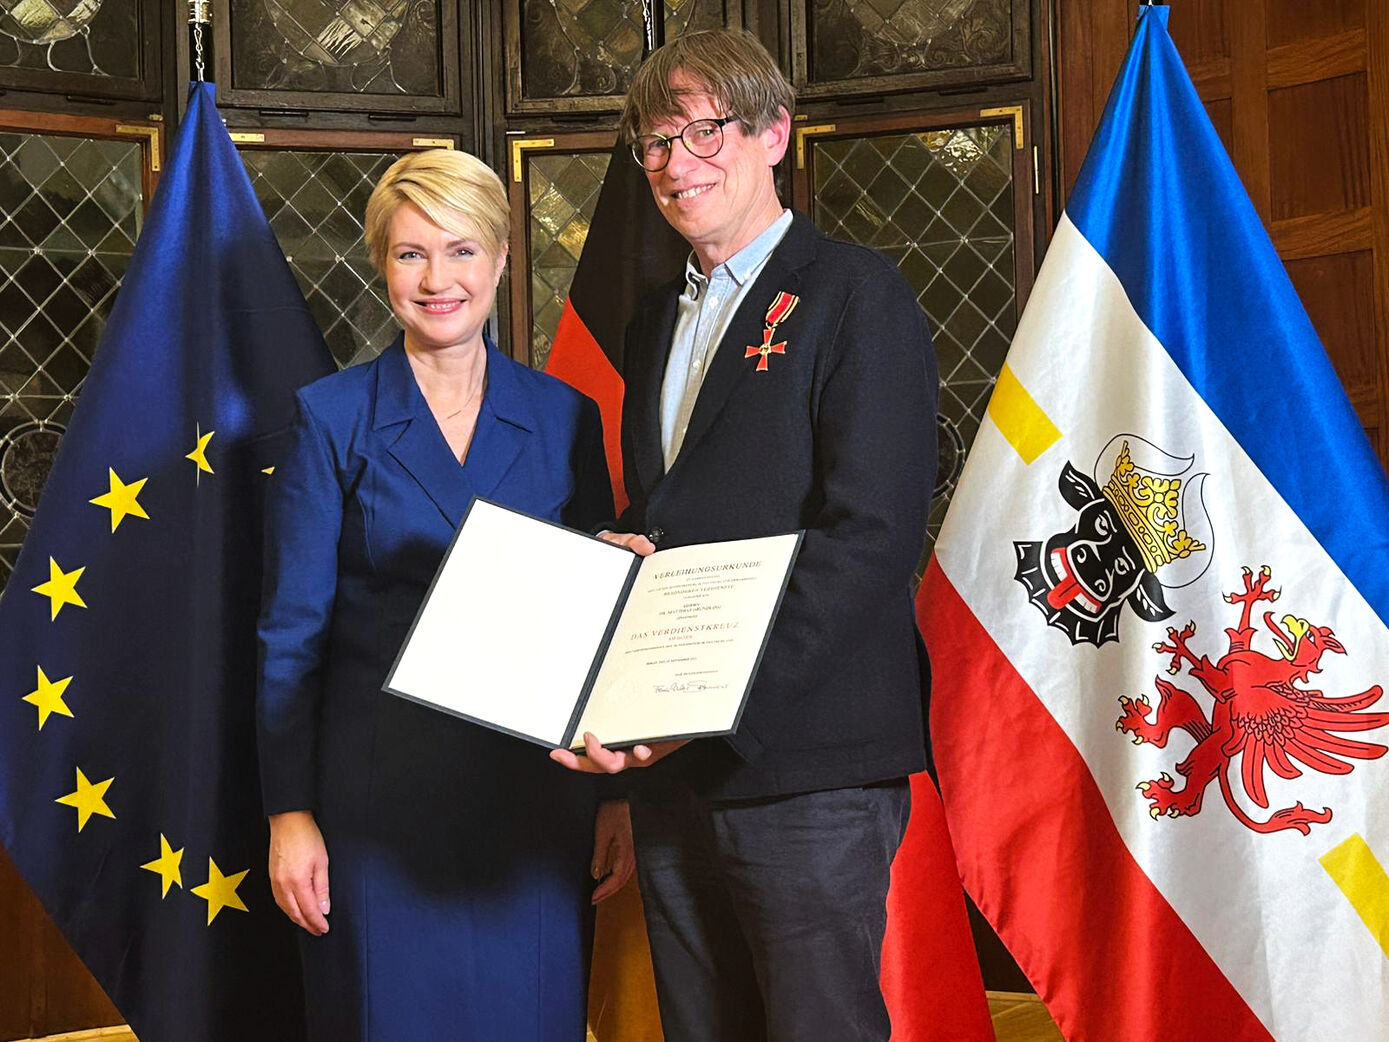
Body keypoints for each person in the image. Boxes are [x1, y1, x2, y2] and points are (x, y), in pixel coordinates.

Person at [550, 29, 939, 1042]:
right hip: (678, 772)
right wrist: (621, 561)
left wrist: (711, 703)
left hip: (806, 761)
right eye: (655, 143)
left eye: (702, 131)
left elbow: (872, 538)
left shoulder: (856, 294)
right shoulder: (651, 324)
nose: (676, 164)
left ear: (774, 132)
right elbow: (678, 517)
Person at [256, 149, 632, 1041]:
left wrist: (618, 797)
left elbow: (595, 622)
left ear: (502, 260)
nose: (438, 279)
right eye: (411, 253)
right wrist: (288, 813)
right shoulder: (331, 416)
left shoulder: (563, 416)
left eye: (461, 251)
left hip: (531, 805)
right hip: (375, 806)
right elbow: (290, 634)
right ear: (381, 265)